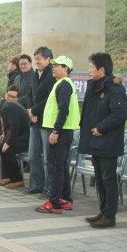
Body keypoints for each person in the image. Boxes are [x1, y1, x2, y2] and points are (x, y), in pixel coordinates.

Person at [78, 53, 127, 228]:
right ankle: (103, 210)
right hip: (95, 141)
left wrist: (101, 127)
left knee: (108, 179)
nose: (89, 70)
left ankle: (110, 215)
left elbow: (120, 114)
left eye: (92, 67)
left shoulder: (114, 90)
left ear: (102, 69)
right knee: (99, 179)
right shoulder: (96, 87)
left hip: (107, 142)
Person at [36, 56, 80, 214]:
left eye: (58, 66)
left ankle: (54, 202)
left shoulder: (64, 85)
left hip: (60, 132)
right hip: (64, 131)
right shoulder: (63, 84)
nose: (54, 68)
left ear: (66, 69)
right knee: (61, 166)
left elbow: (63, 109)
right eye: (53, 65)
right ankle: (65, 199)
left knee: (55, 166)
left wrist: (55, 131)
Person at [27, 47, 55, 195]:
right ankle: (37, 184)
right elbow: (30, 94)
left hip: (46, 121)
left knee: (47, 157)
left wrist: (35, 110)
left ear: (48, 59)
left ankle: (49, 188)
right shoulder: (34, 74)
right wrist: (31, 110)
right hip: (34, 120)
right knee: (33, 155)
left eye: (39, 59)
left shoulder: (52, 74)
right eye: (35, 59)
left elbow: (50, 98)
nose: (36, 62)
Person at [0, 92, 30, 189]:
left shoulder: (6, 107)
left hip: (25, 138)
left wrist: (8, 142)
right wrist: (5, 135)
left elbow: (15, 125)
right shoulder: (5, 105)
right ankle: (7, 177)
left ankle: (17, 180)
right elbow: (10, 125)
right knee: (0, 146)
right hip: (20, 136)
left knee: (7, 150)